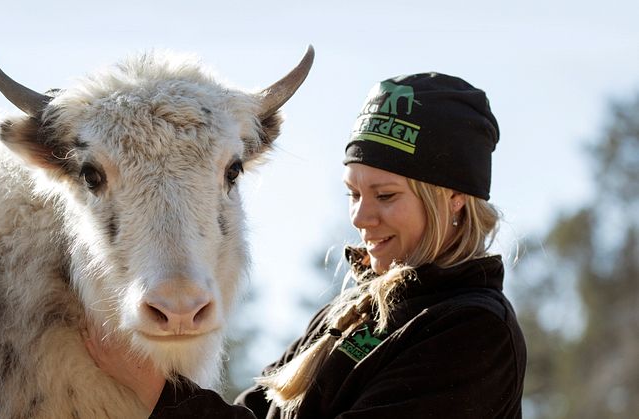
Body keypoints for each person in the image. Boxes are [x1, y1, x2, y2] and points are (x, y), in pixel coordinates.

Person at [84, 72, 527, 418]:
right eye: (354, 194)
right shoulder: (350, 314)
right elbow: (253, 415)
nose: (359, 216)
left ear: (455, 200)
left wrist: (159, 394)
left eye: (385, 195)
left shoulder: (474, 332)